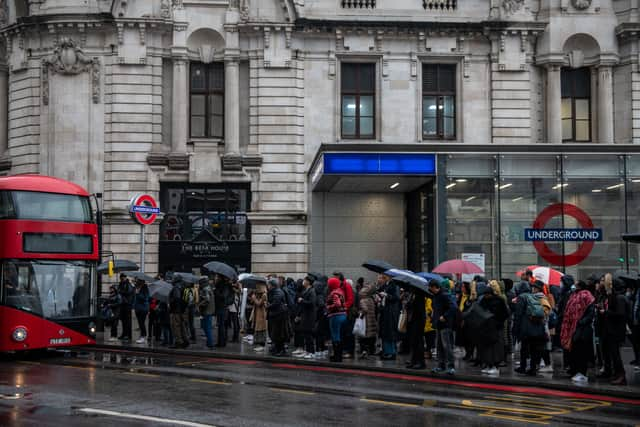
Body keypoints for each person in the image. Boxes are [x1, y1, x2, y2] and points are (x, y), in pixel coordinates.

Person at [560, 280, 595, 383]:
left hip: (582, 329)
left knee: (581, 352)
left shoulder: (586, 296)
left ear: (580, 286)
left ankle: (582, 374)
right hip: (573, 328)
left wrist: (581, 321)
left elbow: (590, 312)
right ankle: (575, 371)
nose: (573, 286)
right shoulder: (573, 295)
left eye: (575, 284)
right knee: (575, 351)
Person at [514, 280, 550, 376]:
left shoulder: (522, 297)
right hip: (537, 326)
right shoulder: (536, 296)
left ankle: (523, 366)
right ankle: (533, 368)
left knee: (524, 348)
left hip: (526, 327)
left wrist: (516, 329)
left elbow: (518, 314)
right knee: (534, 348)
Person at [600, 275, 630, 385]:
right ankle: (617, 374)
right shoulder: (615, 297)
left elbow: (620, 314)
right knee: (613, 354)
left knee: (616, 355)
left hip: (616, 331)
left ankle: (621, 376)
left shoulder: (619, 298)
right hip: (612, 330)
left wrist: (606, 312)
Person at [477, 281, 509, 375]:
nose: (486, 296)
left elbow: (505, 314)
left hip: (496, 327)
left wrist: (498, 322)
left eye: (487, 295)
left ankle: (495, 366)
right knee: (487, 348)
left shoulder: (499, 300)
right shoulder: (485, 301)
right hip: (487, 328)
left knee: (495, 348)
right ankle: (488, 365)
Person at [430, 279, 457, 375]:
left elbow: (453, 307)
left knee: (447, 346)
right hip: (438, 324)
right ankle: (441, 365)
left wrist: (444, 316)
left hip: (445, 324)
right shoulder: (435, 296)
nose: (430, 290)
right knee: (439, 346)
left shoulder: (445, 295)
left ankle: (451, 366)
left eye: (431, 288)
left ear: (435, 287)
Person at [377, 273, 400, 360]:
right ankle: (386, 351)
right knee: (385, 332)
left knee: (390, 332)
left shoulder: (394, 284)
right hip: (385, 311)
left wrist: (386, 295)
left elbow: (396, 297)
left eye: (385, 276)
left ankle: (392, 352)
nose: (383, 277)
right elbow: (379, 292)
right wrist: (380, 296)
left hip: (391, 312)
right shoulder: (385, 285)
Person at [267, 278, 290, 356]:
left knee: (279, 334)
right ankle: (277, 349)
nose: (268, 286)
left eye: (269, 284)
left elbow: (275, 303)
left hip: (279, 315)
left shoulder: (278, 292)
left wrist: (267, 306)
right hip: (275, 315)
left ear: (273, 285)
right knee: (275, 334)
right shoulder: (273, 291)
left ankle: (281, 350)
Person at [326, 277, 347, 362]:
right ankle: (339, 355)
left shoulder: (334, 293)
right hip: (343, 315)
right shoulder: (340, 291)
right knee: (340, 335)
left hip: (335, 316)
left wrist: (328, 307)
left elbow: (337, 304)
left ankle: (337, 356)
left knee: (335, 335)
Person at [405, 289, 427, 369]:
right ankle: (413, 361)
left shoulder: (420, 296)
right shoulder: (412, 294)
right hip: (412, 321)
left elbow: (419, 310)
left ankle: (421, 362)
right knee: (413, 342)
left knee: (418, 342)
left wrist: (410, 304)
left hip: (418, 322)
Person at [296, 276, 317, 359]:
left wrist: (302, 300)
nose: (303, 281)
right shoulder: (306, 290)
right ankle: (307, 350)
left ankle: (311, 352)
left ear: (308, 282)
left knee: (308, 334)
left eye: (304, 280)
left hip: (309, 316)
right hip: (305, 315)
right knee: (305, 333)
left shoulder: (312, 291)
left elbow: (312, 303)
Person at [358, 282, 378, 359]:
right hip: (372, 321)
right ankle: (371, 351)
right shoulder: (371, 299)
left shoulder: (363, 300)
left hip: (366, 322)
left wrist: (360, 314)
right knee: (371, 337)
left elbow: (365, 310)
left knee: (363, 337)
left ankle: (364, 352)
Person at [168, 276, 189, 349]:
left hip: (176, 311)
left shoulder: (176, 288)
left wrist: (171, 302)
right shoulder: (183, 287)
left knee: (175, 327)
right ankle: (185, 340)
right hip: (182, 310)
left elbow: (177, 298)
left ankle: (178, 342)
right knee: (182, 326)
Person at [214, 274, 233, 348]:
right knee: (221, 326)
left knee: (222, 326)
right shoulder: (220, 286)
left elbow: (223, 296)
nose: (215, 278)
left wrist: (216, 292)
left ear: (220, 278)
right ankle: (220, 342)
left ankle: (221, 343)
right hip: (220, 308)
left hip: (223, 308)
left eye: (216, 277)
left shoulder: (225, 286)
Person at [198, 277, 216, 349]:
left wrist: (199, 304)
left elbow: (207, 300)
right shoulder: (209, 288)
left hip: (206, 311)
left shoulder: (205, 289)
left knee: (207, 328)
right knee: (207, 327)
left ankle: (210, 344)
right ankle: (209, 343)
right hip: (210, 310)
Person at [250, 283, 268, 352]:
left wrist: (254, 299)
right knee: (257, 328)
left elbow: (259, 304)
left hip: (262, 314)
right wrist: (253, 297)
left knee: (261, 329)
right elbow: (253, 302)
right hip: (256, 313)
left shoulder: (264, 295)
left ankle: (262, 345)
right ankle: (258, 343)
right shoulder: (257, 294)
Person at [117, 274, 135, 341]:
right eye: (121, 278)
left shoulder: (128, 284)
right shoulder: (121, 284)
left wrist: (120, 291)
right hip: (122, 304)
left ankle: (128, 335)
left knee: (127, 321)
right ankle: (124, 334)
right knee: (123, 321)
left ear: (125, 278)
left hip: (127, 304)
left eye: (122, 278)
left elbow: (129, 292)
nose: (121, 279)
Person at [133, 279, 150, 344]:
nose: (137, 282)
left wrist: (138, 294)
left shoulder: (145, 289)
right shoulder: (137, 288)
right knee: (140, 323)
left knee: (141, 323)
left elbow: (145, 298)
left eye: (138, 281)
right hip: (137, 308)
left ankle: (143, 336)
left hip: (143, 308)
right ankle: (142, 336)